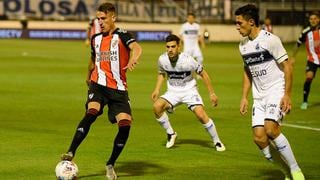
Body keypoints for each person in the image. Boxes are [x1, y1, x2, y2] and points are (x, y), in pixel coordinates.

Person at [61, 2, 142, 180]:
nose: (100, 22)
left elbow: (136, 47)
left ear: (113, 17)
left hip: (118, 89)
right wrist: (88, 76)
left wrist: (134, 58)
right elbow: (92, 59)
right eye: (98, 19)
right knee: (92, 111)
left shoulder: (122, 35)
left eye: (103, 18)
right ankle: (70, 152)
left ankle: (111, 164)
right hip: (98, 84)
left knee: (125, 125)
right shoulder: (95, 38)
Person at [235, 4, 304, 180]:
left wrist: (287, 95)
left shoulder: (270, 40)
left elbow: (287, 67)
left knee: (271, 129)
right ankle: (285, 170)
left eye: (239, 23)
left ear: (251, 22)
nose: (237, 27)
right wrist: (244, 96)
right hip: (258, 96)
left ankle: (296, 170)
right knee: (259, 138)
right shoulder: (242, 46)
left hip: (275, 90)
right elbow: (247, 70)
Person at [151, 34, 225, 152]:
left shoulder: (188, 60)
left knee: (201, 115)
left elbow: (203, 74)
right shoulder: (162, 59)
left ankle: (217, 141)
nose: (170, 49)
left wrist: (212, 93)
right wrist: (157, 89)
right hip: (173, 92)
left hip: (189, 91)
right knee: (157, 107)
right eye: (168, 47)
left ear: (179, 46)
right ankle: (171, 134)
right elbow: (161, 73)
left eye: (173, 46)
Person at [291, 11, 320, 110]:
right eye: (311, 19)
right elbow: (297, 44)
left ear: (318, 20)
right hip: (312, 59)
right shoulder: (306, 31)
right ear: (309, 20)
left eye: (315, 19)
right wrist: (293, 57)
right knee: (309, 77)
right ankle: (304, 101)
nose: (313, 21)